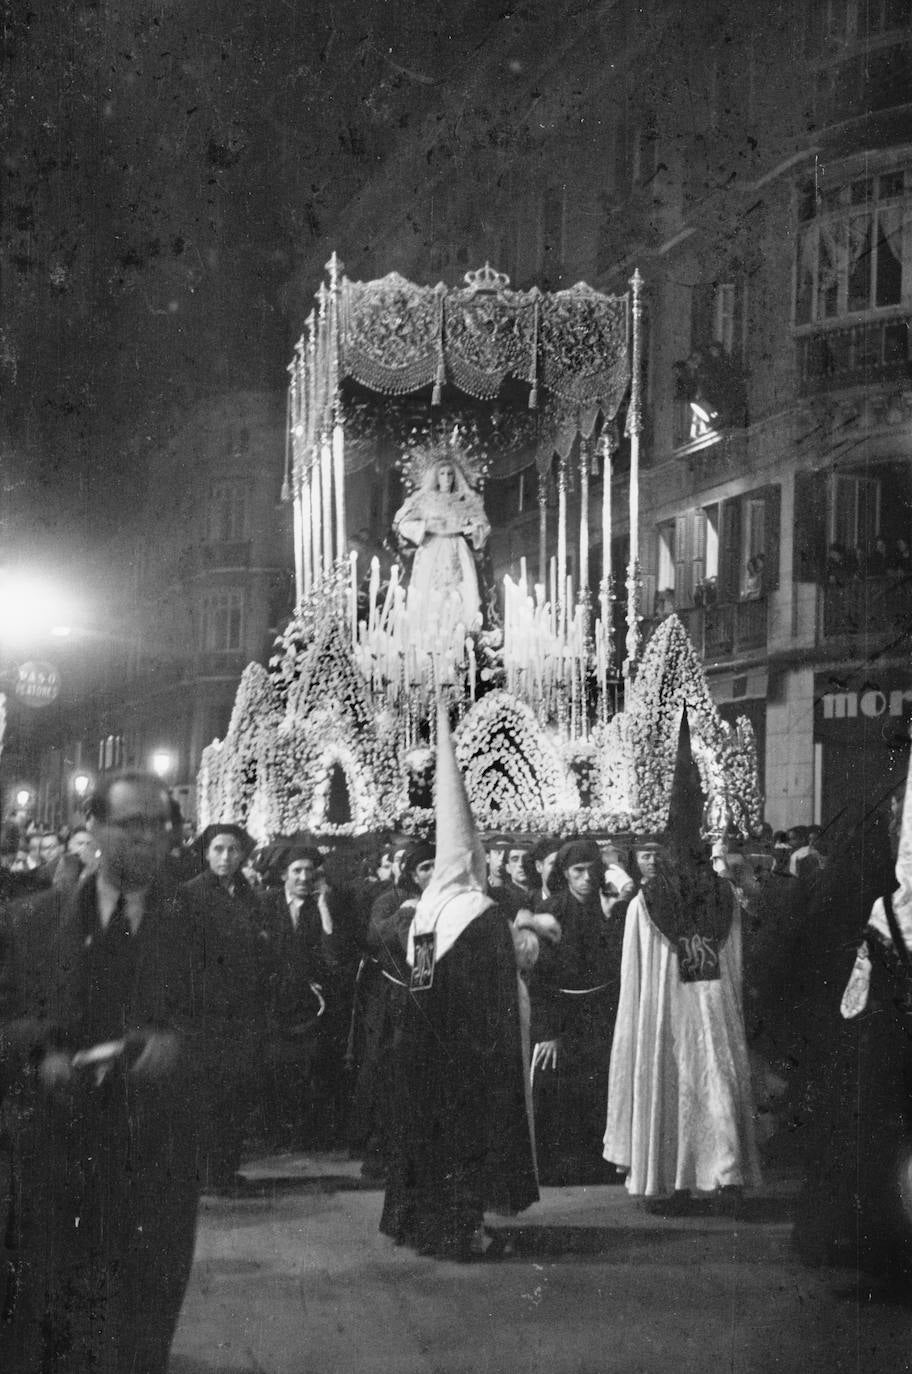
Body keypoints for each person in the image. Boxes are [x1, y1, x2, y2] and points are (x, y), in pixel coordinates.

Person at [0, 771, 245, 1373]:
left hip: (156, 1163)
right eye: (130, 825)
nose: (147, 839)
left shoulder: (209, 924)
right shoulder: (32, 923)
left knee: (139, 1330)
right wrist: (42, 1056)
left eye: (159, 826)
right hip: (54, 1162)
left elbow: (239, 1033)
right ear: (95, 826)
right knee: (52, 1326)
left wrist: (178, 1049)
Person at [380, 703, 537, 1260]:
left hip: (425, 1051)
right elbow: (501, 985)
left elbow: (419, 981)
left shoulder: (426, 910)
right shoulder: (480, 912)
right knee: (466, 1146)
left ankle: (422, 1227)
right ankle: (461, 1230)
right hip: (472, 1058)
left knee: (429, 1142)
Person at [603, 710, 761, 1215]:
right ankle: (720, 1173)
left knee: (669, 1078)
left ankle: (664, 1176)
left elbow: (635, 990)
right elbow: (733, 970)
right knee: (714, 1073)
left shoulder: (646, 903)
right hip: (713, 1010)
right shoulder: (723, 897)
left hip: (663, 1018)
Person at [527, 838, 630, 1184]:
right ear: (566, 874)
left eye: (592, 870)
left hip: (602, 1012)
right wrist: (547, 1032)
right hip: (561, 1014)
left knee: (600, 1087)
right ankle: (559, 1167)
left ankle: (600, 1163)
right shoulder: (550, 912)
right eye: (578, 871)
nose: (586, 878)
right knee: (559, 1091)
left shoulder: (613, 909)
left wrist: (608, 914)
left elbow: (618, 963)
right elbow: (536, 978)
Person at [181, 823, 260, 1190]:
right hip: (205, 1010)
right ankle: (204, 1170)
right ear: (206, 853)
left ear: (243, 854)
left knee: (236, 1089)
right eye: (218, 849)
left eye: (233, 850)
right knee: (206, 1091)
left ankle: (226, 1168)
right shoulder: (190, 895)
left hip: (243, 1008)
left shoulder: (249, 894)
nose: (225, 857)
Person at [254, 842, 346, 1149]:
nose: (304, 877)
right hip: (273, 997)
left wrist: (323, 908)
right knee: (273, 1065)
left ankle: (306, 1135)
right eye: (297, 871)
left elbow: (333, 955)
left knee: (310, 1066)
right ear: (283, 876)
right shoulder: (265, 904)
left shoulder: (323, 907)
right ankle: (275, 1132)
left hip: (311, 1000)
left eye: (309, 871)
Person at [392, 453, 490, 642]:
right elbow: (403, 524)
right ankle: (428, 639)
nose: (446, 478)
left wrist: (470, 528)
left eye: (450, 474)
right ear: (436, 477)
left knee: (463, 592)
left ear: (456, 476)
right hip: (432, 549)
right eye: (442, 474)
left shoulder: (465, 501)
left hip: (458, 550)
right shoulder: (426, 500)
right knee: (429, 593)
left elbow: (483, 527)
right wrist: (427, 526)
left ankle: (462, 638)